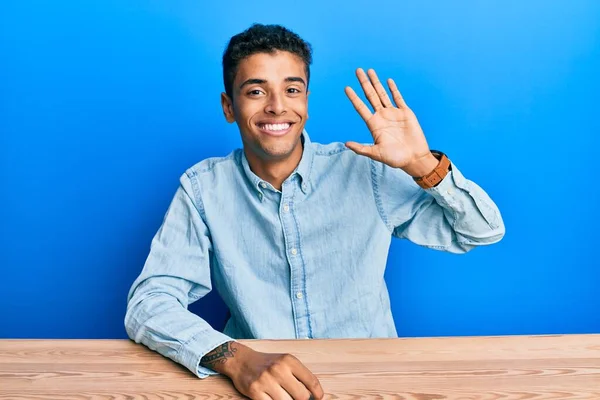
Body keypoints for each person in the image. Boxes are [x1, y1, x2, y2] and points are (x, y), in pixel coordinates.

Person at [125, 23, 505, 400]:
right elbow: (149, 303)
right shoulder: (203, 189)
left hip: (373, 383)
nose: (277, 106)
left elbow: (481, 231)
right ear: (229, 106)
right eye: (256, 91)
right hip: (259, 390)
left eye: (292, 90)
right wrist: (237, 359)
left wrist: (423, 164)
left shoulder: (366, 172)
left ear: (306, 100)